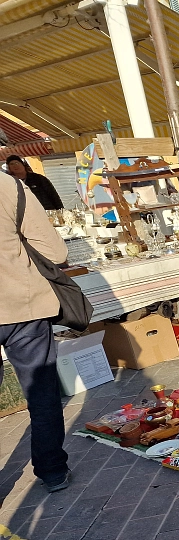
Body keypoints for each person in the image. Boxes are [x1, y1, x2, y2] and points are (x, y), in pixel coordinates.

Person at [0, 170, 71, 491]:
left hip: (22, 307)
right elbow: (55, 253)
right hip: (21, 305)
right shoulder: (10, 187)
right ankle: (53, 471)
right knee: (42, 396)